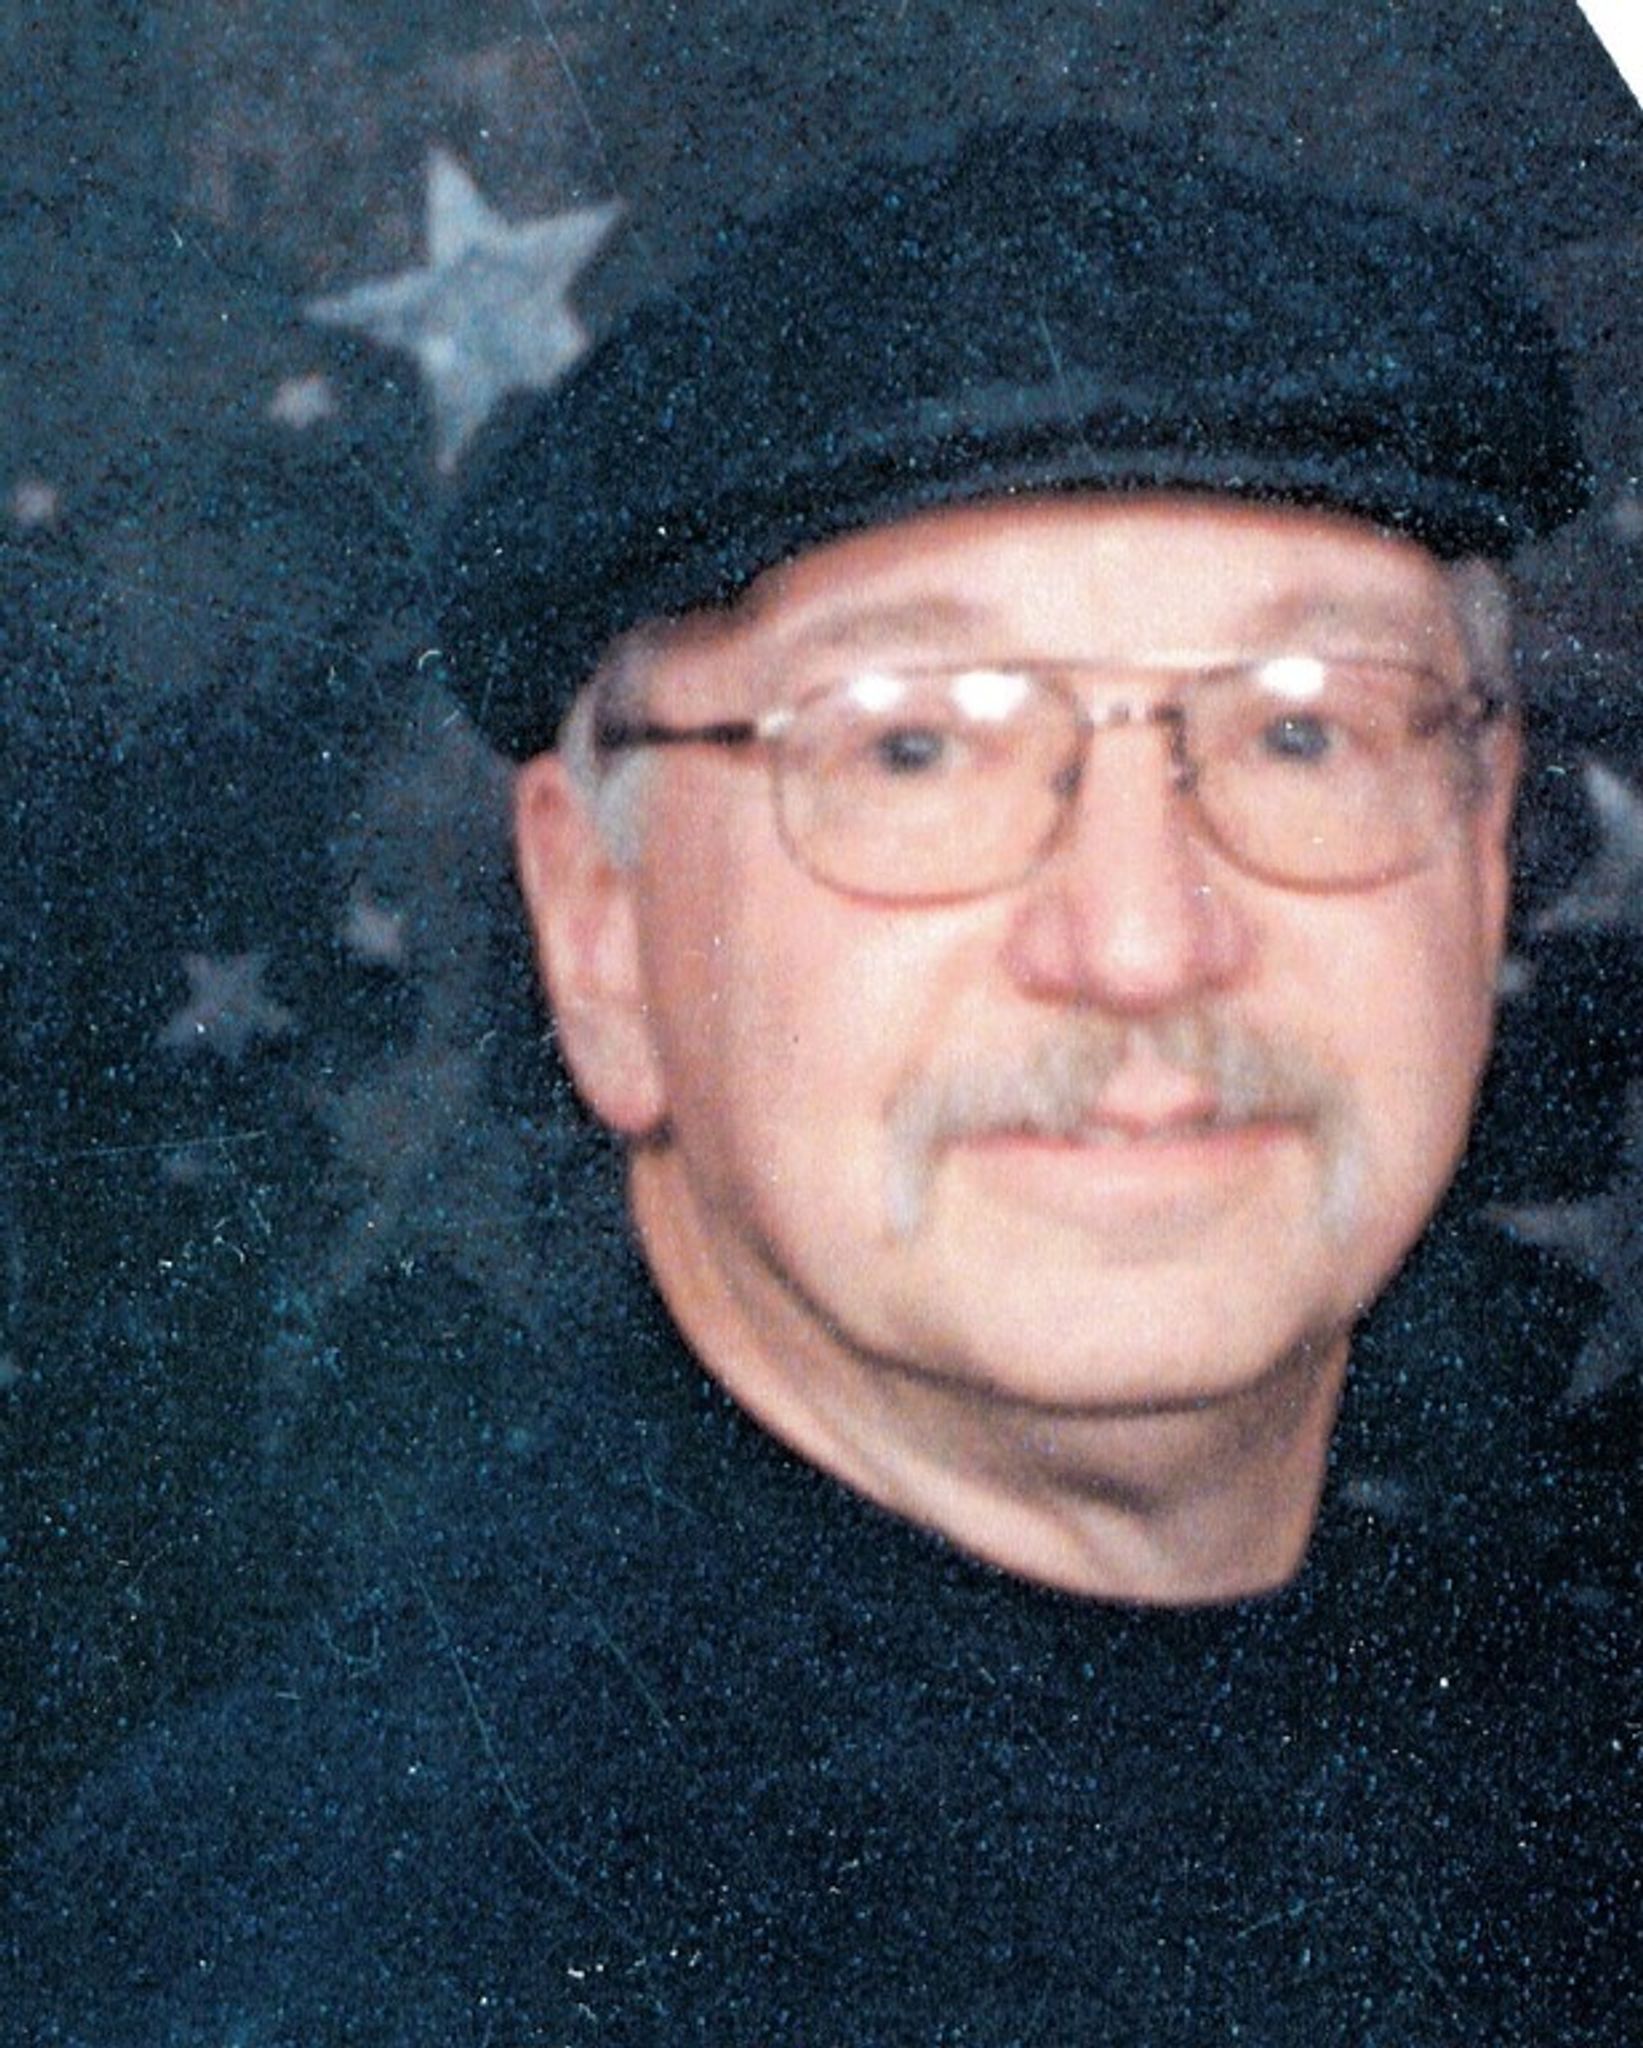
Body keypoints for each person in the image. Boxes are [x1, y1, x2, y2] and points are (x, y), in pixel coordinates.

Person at [7, 118, 1632, 2043]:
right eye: (911, 751)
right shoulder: (308, 1962)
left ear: (1483, 851)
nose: (1142, 938)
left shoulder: (1569, 1784)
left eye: (1304, 733)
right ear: (601, 928)